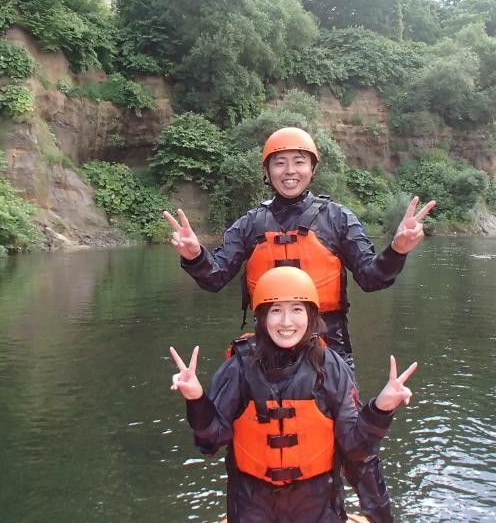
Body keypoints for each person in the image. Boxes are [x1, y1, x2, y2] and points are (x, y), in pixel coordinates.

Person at [164, 126, 435, 368]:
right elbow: (215, 278)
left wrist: (397, 250)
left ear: (312, 169)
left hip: (330, 350)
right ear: (267, 172)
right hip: (267, 350)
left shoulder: (338, 218)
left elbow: (371, 277)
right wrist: (195, 256)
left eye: (299, 162)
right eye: (279, 163)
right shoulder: (249, 224)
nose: (290, 171)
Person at [169, 266, 417, 523]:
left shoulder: (330, 367)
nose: (286, 322)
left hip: (318, 508)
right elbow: (210, 441)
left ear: (311, 315)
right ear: (262, 317)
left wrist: (381, 408)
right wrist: (196, 399)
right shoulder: (239, 368)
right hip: (252, 506)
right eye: (276, 310)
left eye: (297, 310)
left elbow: (355, 447)